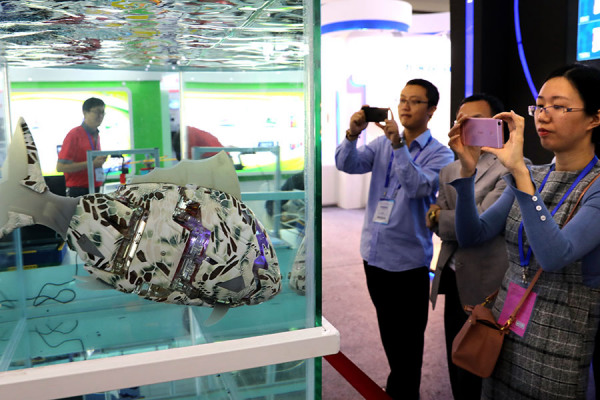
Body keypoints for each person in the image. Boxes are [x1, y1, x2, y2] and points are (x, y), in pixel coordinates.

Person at [449, 63, 600, 399]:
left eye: (558, 107)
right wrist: (467, 169)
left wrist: (518, 172)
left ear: (594, 118)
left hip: (559, 340)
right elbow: (473, 235)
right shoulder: (536, 175)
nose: (543, 116)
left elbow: (554, 255)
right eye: (540, 105)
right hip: (505, 326)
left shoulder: (594, 186)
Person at [335, 78, 454, 399]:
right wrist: (353, 133)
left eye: (415, 101)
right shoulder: (383, 143)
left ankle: (404, 392)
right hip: (373, 255)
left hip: (408, 262)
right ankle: (399, 388)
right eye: (402, 99)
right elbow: (347, 164)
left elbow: (417, 187)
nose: (405, 106)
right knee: (390, 335)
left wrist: (400, 148)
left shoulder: (440, 155)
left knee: (409, 344)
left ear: (431, 111)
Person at [428, 93, 511, 400]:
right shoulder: (449, 170)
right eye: (459, 119)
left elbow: (480, 228)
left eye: (473, 120)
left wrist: (446, 219)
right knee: (457, 356)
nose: (463, 125)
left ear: (495, 125)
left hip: (488, 286)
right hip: (454, 276)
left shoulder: (511, 166)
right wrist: (450, 218)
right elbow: (436, 222)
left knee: (482, 367)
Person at [56, 97, 107, 197]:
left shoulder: (96, 134)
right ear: (85, 112)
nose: (100, 116)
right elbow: (61, 167)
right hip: (78, 191)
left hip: (95, 188)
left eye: (102, 112)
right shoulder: (74, 135)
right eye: (97, 112)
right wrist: (91, 163)